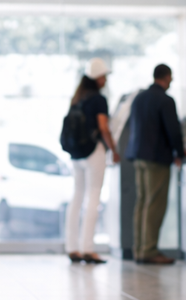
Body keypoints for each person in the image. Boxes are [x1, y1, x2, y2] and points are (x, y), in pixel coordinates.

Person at [125, 64, 186, 265]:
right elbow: (173, 130)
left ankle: (140, 248)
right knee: (155, 203)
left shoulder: (139, 98)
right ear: (167, 77)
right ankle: (149, 251)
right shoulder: (165, 100)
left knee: (142, 202)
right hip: (156, 157)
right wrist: (179, 151)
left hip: (138, 156)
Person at [64, 57, 121, 264]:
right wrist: (113, 150)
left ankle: (72, 247)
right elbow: (104, 127)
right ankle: (88, 248)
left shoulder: (77, 98)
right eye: (104, 76)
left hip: (76, 154)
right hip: (93, 151)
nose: (106, 80)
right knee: (94, 196)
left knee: (77, 196)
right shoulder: (98, 99)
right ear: (97, 78)